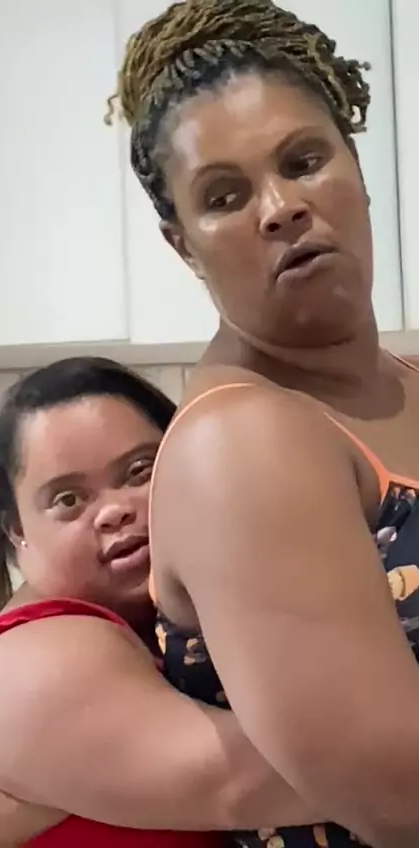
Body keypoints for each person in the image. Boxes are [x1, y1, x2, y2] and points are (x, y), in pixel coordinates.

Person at [113, 1, 419, 847]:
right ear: (183, 245)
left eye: (304, 161)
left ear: (357, 167)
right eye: (224, 197)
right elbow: (400, 791)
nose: (281, 207)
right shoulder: (240, 445)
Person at [0, 356, 321, 847]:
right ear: (17, 532)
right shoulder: (36, 664)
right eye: (68, 499)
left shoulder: (155, 629)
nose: (115, 511)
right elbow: (259, 783)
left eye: (140, 471)